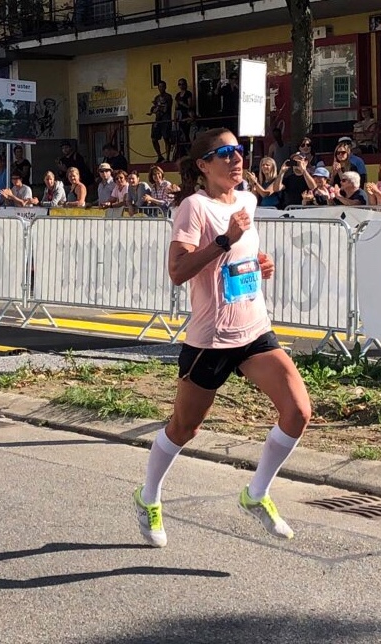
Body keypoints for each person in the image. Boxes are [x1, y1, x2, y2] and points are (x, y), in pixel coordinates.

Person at [132, 127, 311, 548]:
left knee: (298, 411)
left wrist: (259, 262)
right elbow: (178, 271)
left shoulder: (249, 200)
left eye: (239, 151)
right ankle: (148, 496)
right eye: (225, 153)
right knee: (184, 428)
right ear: (203, 166)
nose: (236, 159)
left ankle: (256, 494)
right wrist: (224, 240)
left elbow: (242, 258)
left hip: (254, 331)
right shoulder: (194, 207)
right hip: (210, 339)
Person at [149, 81, 174, 163]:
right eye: (160, 86)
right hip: (158, 120)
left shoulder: (168, 97)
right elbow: (155, 108)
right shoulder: (157, 98)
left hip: (166, 120)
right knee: (154, 138)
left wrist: (158, 108)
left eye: (163, 86)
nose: (161, 88)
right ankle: (160, 156)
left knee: (166, 138)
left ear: (165, 87)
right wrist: (153, 110)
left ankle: (167, 158)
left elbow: (166, 109)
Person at [173, 78, 194, 159]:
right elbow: (176, 107)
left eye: (182, 84)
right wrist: (175, 118)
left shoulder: (188, 94)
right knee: (180, 137)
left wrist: (182, 103)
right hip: (179, 116)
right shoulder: (178, 95)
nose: (181, 86)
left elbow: (190, 106)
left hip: (186, 115)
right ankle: (182, 154)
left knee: (186, 136)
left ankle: (189, 154)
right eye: (179, 84)